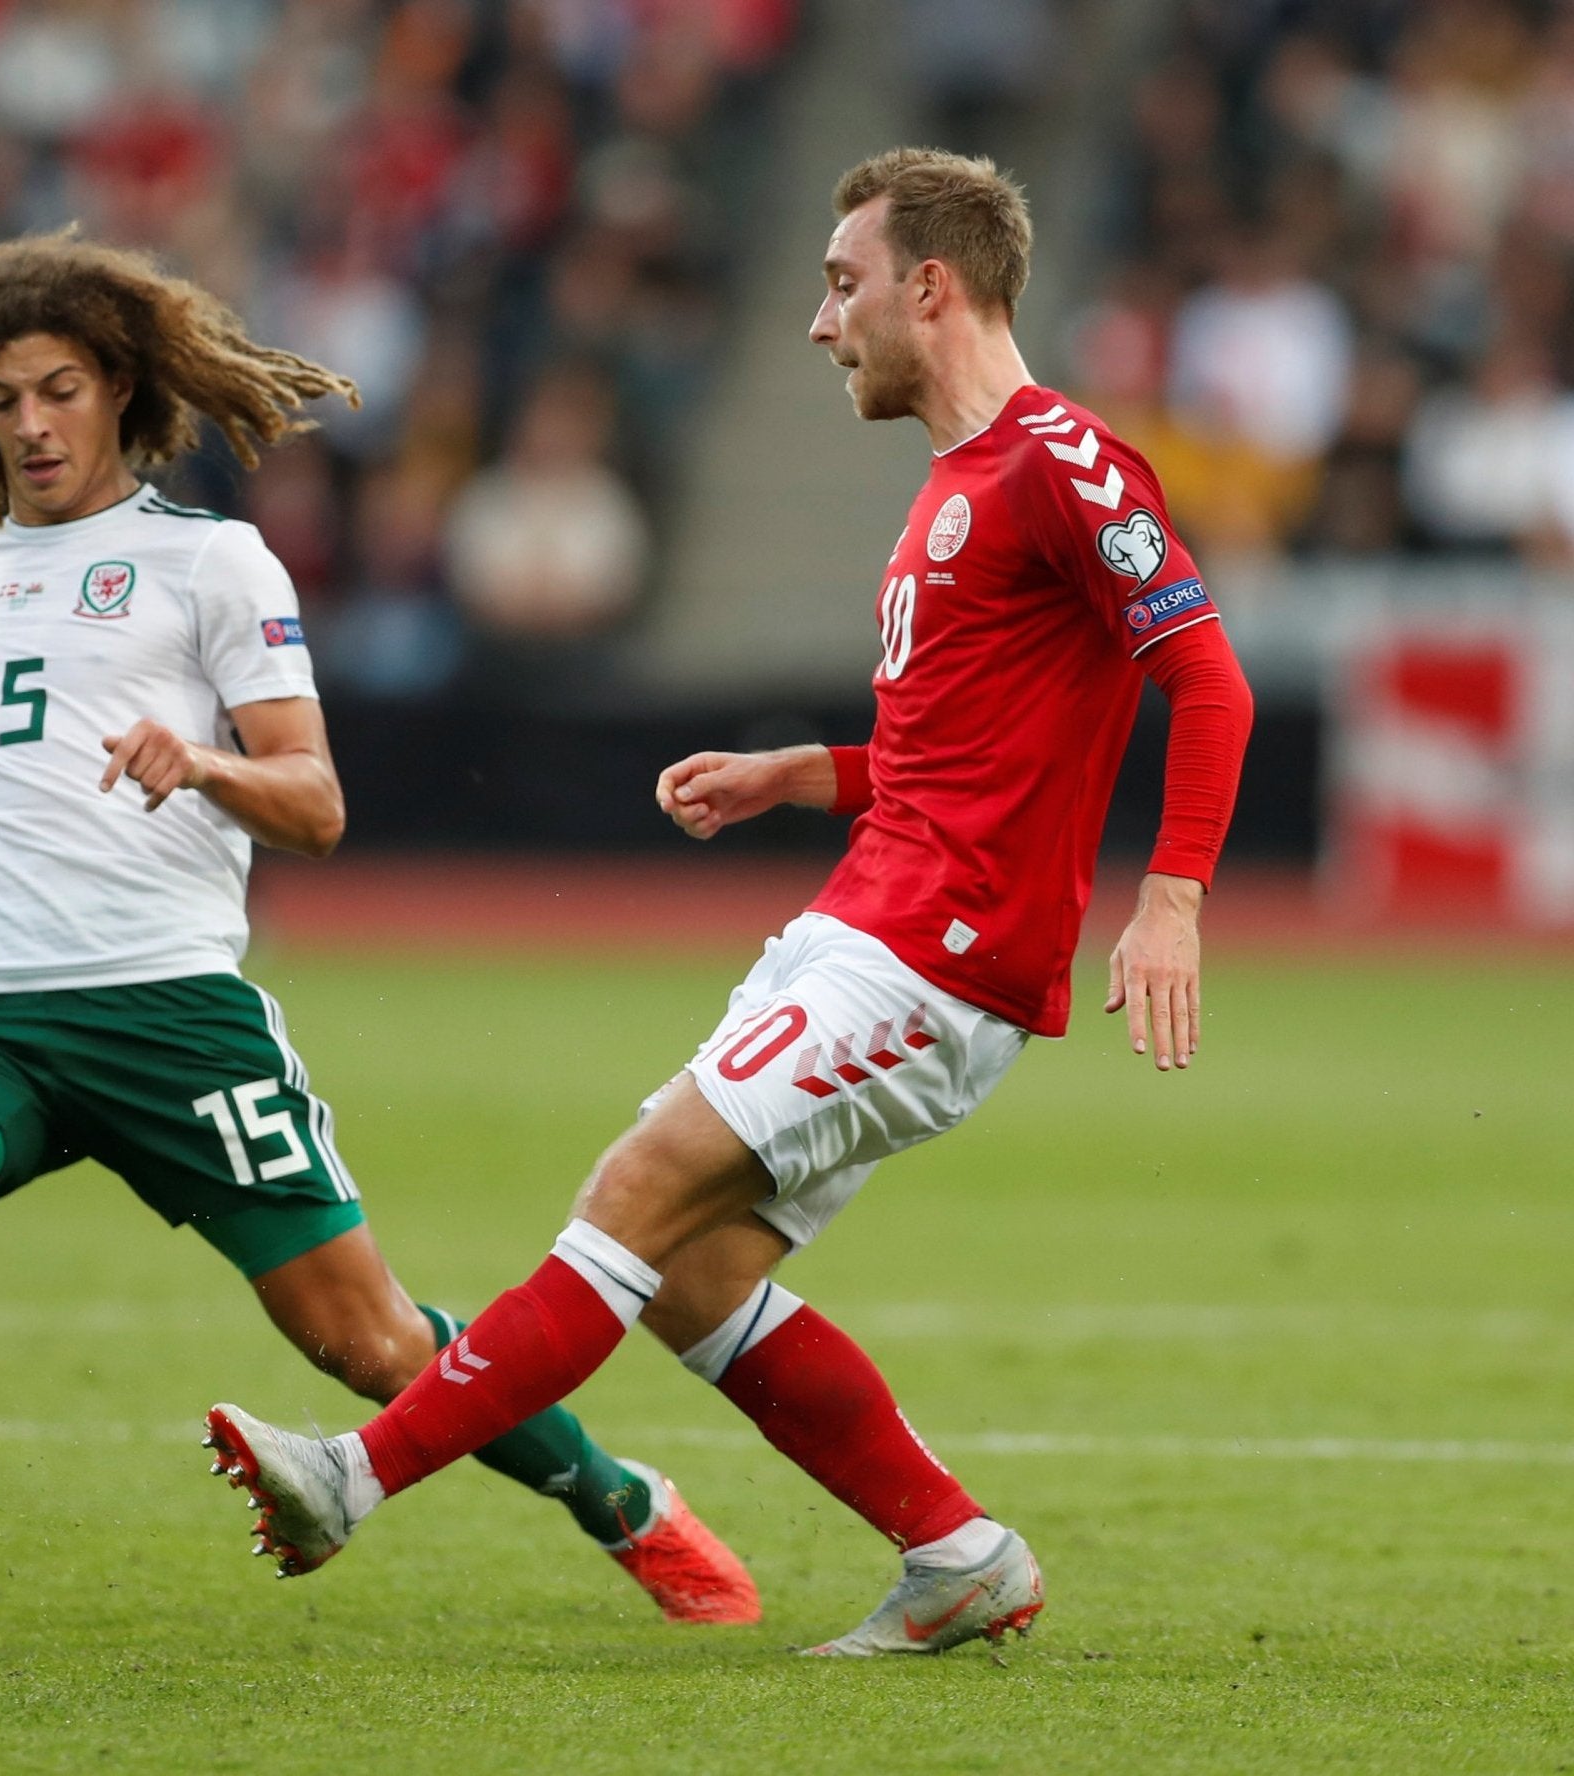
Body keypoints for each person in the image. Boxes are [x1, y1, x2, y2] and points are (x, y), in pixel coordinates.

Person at [0, 231, 759, 1625]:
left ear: (117, 390)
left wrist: (207, 764)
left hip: (164, 1017)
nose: (30, 426)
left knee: (369, 1342)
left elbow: (319, 805)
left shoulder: (214, 565)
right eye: (0, 402)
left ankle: (620, 1501)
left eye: (57, 391)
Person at [202, 150, 1255, 1656]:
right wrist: (798, 773)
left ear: (931, 288)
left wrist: (1172, 901)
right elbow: (946, 757)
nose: (822, 324)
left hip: (937, 954)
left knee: (634, 1189)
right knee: (691, 1276)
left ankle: (350, 1477)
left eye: (843, 285)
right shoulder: (957, 490)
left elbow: (1207, 678)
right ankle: (956, 1555)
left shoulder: (1064, 462)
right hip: (868, 917)